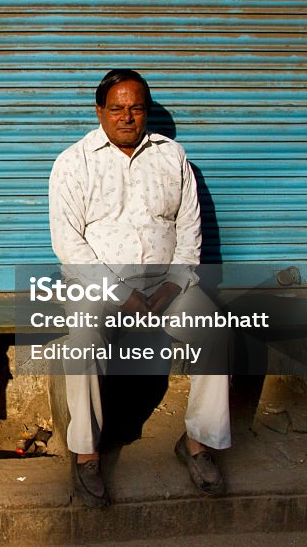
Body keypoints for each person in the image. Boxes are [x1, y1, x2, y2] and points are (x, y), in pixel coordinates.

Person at [48, 69, 232, 506]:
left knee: (216, 333)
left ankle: (197, 445)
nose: (126, 117)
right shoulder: (74, 163)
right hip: (96, 285)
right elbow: (69, 245)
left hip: (166, 286)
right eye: (116, 108)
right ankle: (86, 453)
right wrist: (122, 295)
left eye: (136, 108)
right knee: (84, 338)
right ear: (100, 112)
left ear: (145, 111)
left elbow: (189, 234)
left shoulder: (173, 157)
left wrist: (171, 286)